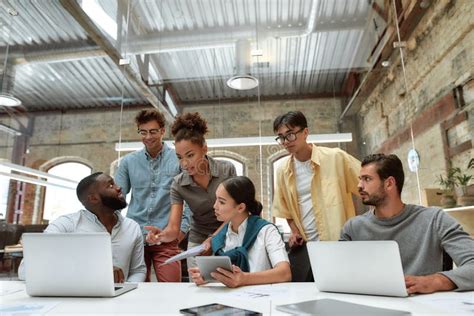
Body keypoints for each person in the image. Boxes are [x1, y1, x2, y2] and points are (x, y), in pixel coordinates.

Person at [340, 154, 474, 294]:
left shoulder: (434, 219)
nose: (359, 186)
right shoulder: (352, 228)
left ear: (389, 183)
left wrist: (434, 281)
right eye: (360, 179)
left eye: (367, 179)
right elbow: (338, 273)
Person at [272, 111, 361, 282]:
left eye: (290, 135)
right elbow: (285, 210)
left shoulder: (335, 157)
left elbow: (367, 186)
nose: (285, 142)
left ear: (305, 132)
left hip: (339, 245)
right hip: (307, 250)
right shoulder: (283, 170)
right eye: (281, 137)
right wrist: (295, 231)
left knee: (343, 292)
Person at [145, 112, 236, 269]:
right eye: (179, 157)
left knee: (230, 282)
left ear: (204, 149)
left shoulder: (226, 170)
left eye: (190, 155)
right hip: (199, 239)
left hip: (230, 232)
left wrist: (213, 239)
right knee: (199, 286)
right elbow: (173, 228)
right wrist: (161, 236)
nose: (185, 163)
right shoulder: (178, 185)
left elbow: (235, 213)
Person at [19, 172, 146, 282]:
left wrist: (125, 291)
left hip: (120, 300)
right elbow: (26, 270)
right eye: (110, 185)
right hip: (77, 299)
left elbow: (138, 270)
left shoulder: (132, 227)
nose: (119, 188)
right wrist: (96, 271)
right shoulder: (66, 225)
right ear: (93, 198)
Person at [115, 109, 190, 282]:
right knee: (135, 291)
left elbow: (189, 199)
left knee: (171, 289)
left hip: (167, 236)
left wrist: (180, 231)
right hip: (135, 238)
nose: (148, 137)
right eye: (143, 132)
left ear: (163, 131)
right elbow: (115, 199)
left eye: (153, 131)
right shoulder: (128, 162)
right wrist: (117, 231)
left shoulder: (178, 159)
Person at [189, 176, 291, 288]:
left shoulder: (267, 231)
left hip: (263, 298)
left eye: (221, 202)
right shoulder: (219, 237)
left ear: (240, 207)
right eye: (216, 199)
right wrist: (208, 276)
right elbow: (229, 277)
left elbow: (284, 273)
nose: (215, 206)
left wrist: (244, 279)